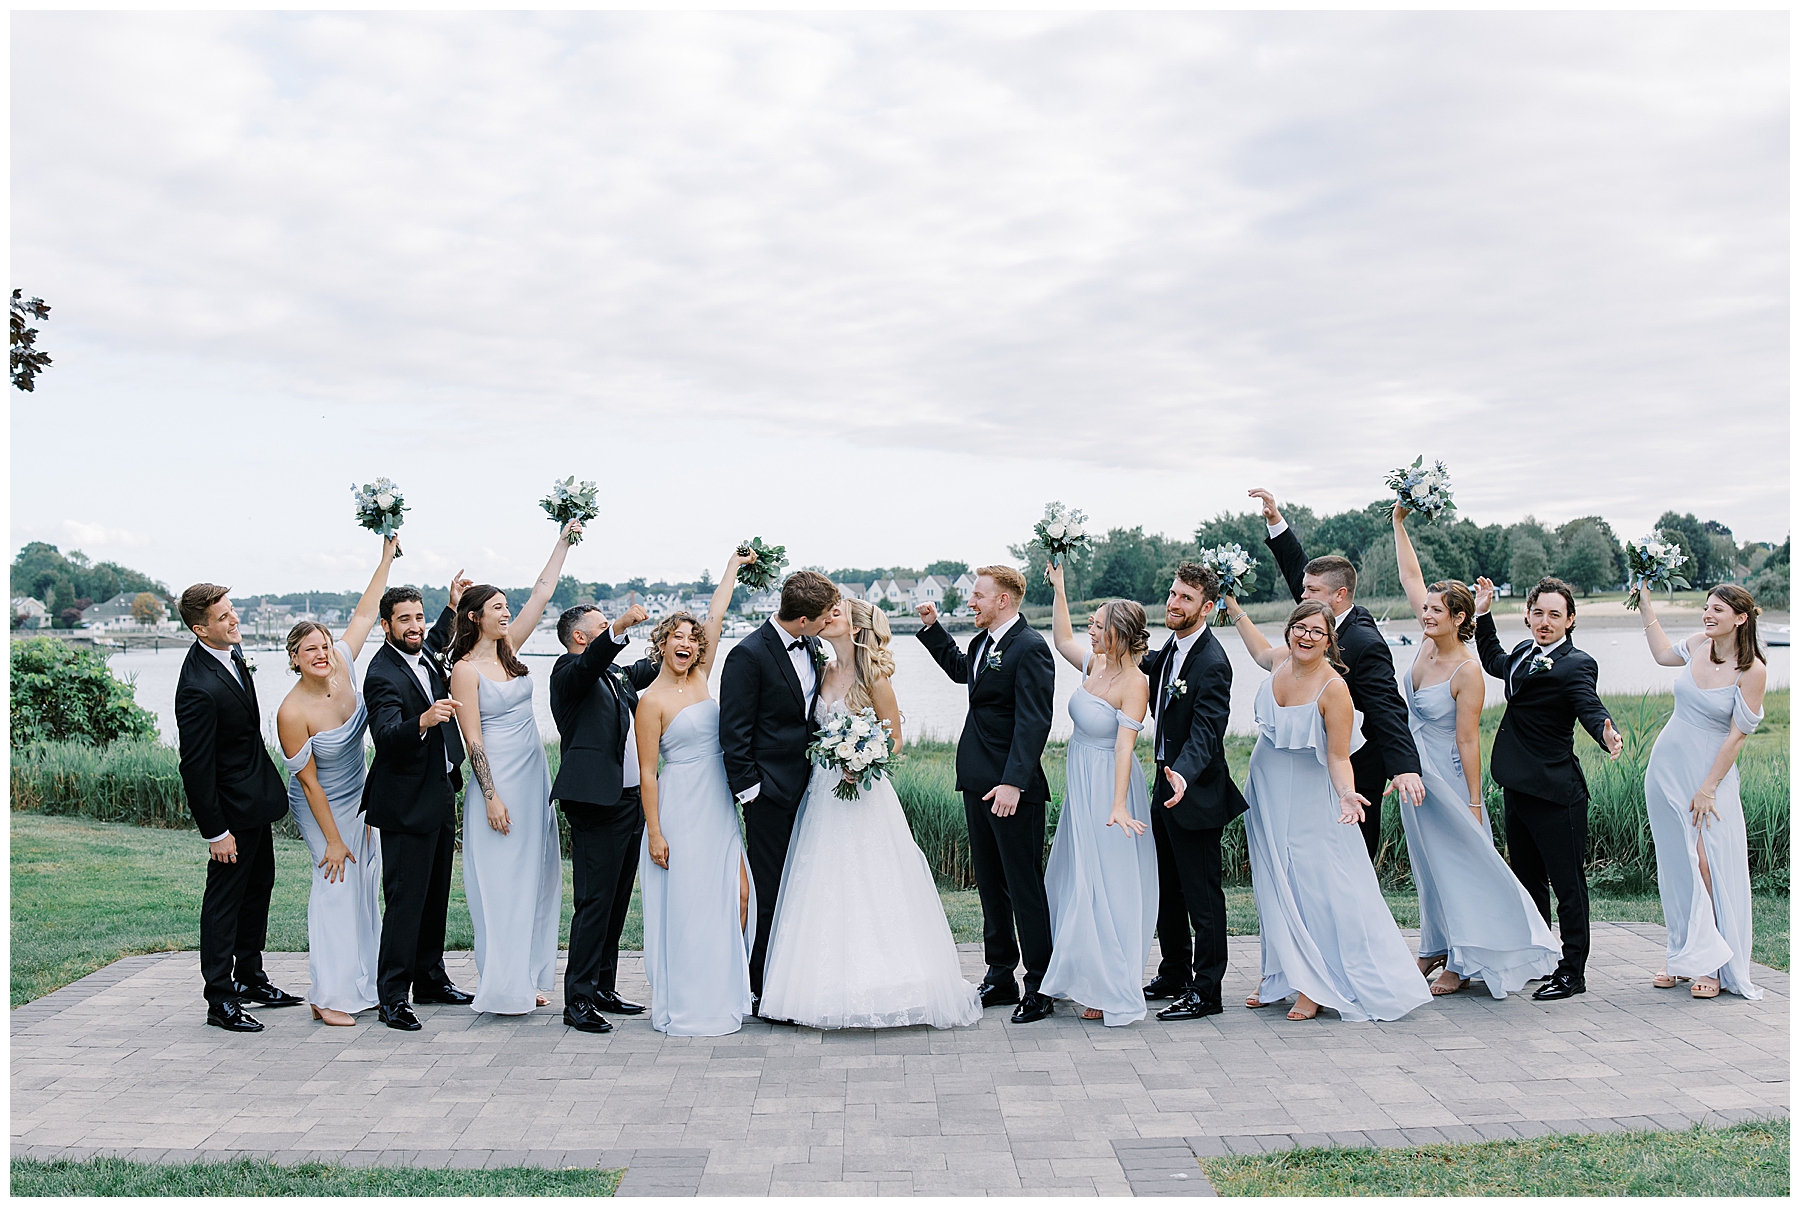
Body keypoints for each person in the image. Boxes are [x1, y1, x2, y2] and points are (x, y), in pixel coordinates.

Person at [759, 598, 984, 1030]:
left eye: (836, 613)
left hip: (864, 794)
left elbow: (896, 739)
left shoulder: (874, 678)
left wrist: (863, 760)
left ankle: (886, 980)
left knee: (872, 880)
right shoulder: (822, 671)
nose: (827, 617)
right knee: (822, 881)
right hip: (823, 792)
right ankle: (820, 985)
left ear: (857, 629)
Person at [1222, 596, 1433, 1022]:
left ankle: (1316, 984)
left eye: (1317, 631)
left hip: (1308, 794)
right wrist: (1233, 603)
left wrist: (1347, 795)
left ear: (1329, 640)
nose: (1306, 636)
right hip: (1266, 788)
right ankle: (1279, 973)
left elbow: (1339, 757)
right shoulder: (1280, 661)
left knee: (1313, 888)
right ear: (1290, 629)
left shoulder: (1334, 689)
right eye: (1300, 627)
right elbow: (1259, 649)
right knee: (1273, 882)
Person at [1388, 506, 1558, 998]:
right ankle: (1435, 942)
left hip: (1447, 775)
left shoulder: (1468, 671)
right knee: (1425, 862)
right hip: (1413, 773)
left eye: (1435, 611)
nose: (1425, 614)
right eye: (1425, 609)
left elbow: (1468, 740)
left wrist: (1474, 801)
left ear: (1458, 618)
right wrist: (1399, 524)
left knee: (1457, 863)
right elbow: (1410, 575)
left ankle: (1462, 961)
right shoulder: (1424, 642)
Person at [448, 520, 583, 1016]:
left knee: (536, 875)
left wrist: (565, 539)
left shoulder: (511, 651)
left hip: (532, 778)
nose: (507, 612)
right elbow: (473, 741)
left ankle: (527, 973)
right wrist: (490, 796)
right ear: (475, 617)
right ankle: (503, 982)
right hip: (499, 782)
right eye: (497, 607)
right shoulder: (465, 669)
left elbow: (542, 594)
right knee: (503, 880)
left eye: (507, 606)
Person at [1249, 488, 1424, 860]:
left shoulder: (1364, 641)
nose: (1303, 595)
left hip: (1359, 761)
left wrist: (1405, 767)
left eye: (1311, 591)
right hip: (1324, 756)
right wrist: (1275, 521)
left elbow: (1387, 707)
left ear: (1339, 595)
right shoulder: (1321, 613)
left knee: (1353, 849)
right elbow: (1301, 570)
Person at [917, 565, 1058, 1024]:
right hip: (977, 781)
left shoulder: (1031, 648)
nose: (971, 602)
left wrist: (1014, 782)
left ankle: (1040, 983)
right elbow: (963, 672)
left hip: (1012, 788)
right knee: (991, 886)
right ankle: (1000, 975)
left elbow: (1034, 722)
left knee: (1024, 888)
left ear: (1003, 600)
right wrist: (933, 629)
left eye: (978, 596)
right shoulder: (982, 645)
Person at [1473, 575, 1624, 1002]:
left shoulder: (1578, 664)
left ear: (1570, 620)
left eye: (1554, 615)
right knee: (1529, 881)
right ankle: (1540, 958)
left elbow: (1588, 705)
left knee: (1568, 886)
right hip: (1518, 788)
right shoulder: (1523, 653)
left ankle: (1572, 972)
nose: (1545, 621)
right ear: (1527, 615)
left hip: (1557, 794)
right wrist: (1483, 614)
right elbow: (1493, 661)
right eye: (1538, 613)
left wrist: (1605, 732)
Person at [275, 534, 402, 1026]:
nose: (322, 653)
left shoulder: (346, 666)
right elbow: (308, 785)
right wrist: (331, 839)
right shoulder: (292, 711)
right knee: (335, 883)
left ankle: (361, 983)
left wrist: (386, 558)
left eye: (325, 645)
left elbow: (366, 615)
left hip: (359, 796)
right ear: (295, 658)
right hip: (319, 804)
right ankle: (327, 994)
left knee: (364, 886)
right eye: (311, 649)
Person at [637, 549, 758, 1036]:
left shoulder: (704, 678)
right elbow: (648, 774)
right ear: (662, 645)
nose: (686, 643)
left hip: (718, 804)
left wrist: (732, 566)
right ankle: (690, 998)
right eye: (677, 637)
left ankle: (728, 988)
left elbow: (716, 614)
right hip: (681, 807)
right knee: (688, 904)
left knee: (738, 894)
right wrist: (655, 833)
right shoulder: (652, 702)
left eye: (692, 639)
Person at [176, 583, 304, 1033]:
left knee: (257, 892)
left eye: (232, 612)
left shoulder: (230, 656)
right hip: (230, 814)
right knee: (224, 904)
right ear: (199, 628)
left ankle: (250, 978)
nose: (234, 620)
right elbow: (194, 767)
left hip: (254, 803)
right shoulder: (196, 687)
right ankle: (220, 999)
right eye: (224, 617)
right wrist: (216, 832)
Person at [1037, 563, 1156, 1026]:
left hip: (1111, 784)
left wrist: (1118, 804)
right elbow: (1061, 637)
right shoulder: (1095, 663)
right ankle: (1083, 974)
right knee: (1077, 879)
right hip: (1081, 780)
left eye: (1099, 624)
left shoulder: (1135, 683)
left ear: (1120, 634)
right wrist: (1061, 589)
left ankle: (1112, 982)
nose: (1091, 628)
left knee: (1111, 885)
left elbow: (1125, 747)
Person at [1636, 583, 1767, 1001]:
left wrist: (1708, 788)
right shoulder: (1696, 645)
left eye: (1717, 610)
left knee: (1707, 863)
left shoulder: (1753, 670)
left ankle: (1712, 962)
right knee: (1677, 863)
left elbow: (1737, 737)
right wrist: (1645, 606)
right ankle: (1682, 953)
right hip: (1667, 770)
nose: (1707, 615)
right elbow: (1660, 655)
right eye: (1705, 608)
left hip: (1711, 776)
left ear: (1741, 618)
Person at [718, 568, 840, 1010]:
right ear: (803, 621)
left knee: (804, 885)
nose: (833, 619)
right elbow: (733, 732)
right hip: (769, 795)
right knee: (770, 890)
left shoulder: (813, 645)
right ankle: (761, 984)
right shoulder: (747, 655)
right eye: (827, 615)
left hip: (813, 788)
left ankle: (798, 975)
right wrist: (752, 792)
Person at [362, 572, 475, 1031]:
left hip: (440, 790)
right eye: (403, 619)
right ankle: (392, 995)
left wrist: (451, 606)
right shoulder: (380, 673)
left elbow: (437, 638)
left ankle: (430, 978)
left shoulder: (422, 652)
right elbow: (387, 736)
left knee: (435, 895)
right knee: (406, 900)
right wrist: (425, 719)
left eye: (419, 617)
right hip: (405, 802)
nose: (414, 625)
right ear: (385, 626)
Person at [1138, 563, 1247, 1022]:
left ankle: (1207, 991)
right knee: (1167, 889)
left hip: (1196, 791)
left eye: (1185, 598)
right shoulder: (1169, 650)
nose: (1173, 603)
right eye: (1172, 593)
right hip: (1165, 787)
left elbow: (1207, 731)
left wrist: (1181, 771)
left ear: (1207, 607)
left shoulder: (1212, 661)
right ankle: (1175, 971)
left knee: (1203, 898)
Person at [550, 597, 654, 1034]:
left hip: (629, 799)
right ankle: (577, 999)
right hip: (595, 802)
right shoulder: (568, 672)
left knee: (615, 900)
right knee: (594, 902)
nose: (610, 627)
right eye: (602, 625)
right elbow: (593, 662)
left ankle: (604, 987)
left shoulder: (614, 675)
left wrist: (689, 639)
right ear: (581, 636)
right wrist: (620, 629)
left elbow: (650, 669)